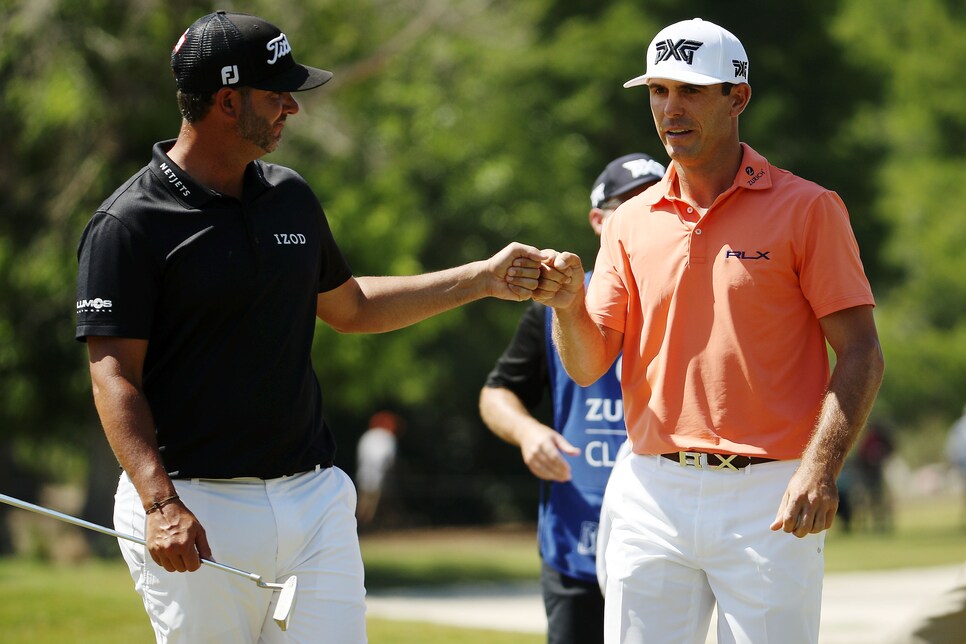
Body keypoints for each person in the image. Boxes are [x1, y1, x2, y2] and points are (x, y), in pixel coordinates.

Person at [74, 11, 557, 643]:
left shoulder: (289, 195)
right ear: (226, 101)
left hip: (313, 499)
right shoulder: (129, 224)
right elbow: (113, 377)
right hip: (195, 502)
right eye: (277, 95)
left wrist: (482, 279)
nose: (290, 110)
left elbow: (350, 306)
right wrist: (159, 502)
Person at [533, 18, 885, 644]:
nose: (671, 109)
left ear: (738, 98)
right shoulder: (627, 223)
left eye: (692, 91)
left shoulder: (809, 208)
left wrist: (820, 468)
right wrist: (567, 306)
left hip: (772, 493)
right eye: (658, 91)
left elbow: (861, 352)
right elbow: (589, 365)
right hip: (649, 486)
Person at [479, 153, 665, 644]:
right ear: (598, 220)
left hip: (664, 534)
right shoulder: (559, 304)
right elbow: (496, 394)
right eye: (626, 206)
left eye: (652, 202)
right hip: (574, 541)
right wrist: (528, 432)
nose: (640, 216)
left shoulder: (690, 301)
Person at [355, 411, 404, 527]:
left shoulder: (367, 435)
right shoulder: (387, 437)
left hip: (364, 474)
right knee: (374, 503)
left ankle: (360, 525)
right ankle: (367, 526)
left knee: (363, 501)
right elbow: (388, 459)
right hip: (381, 476)